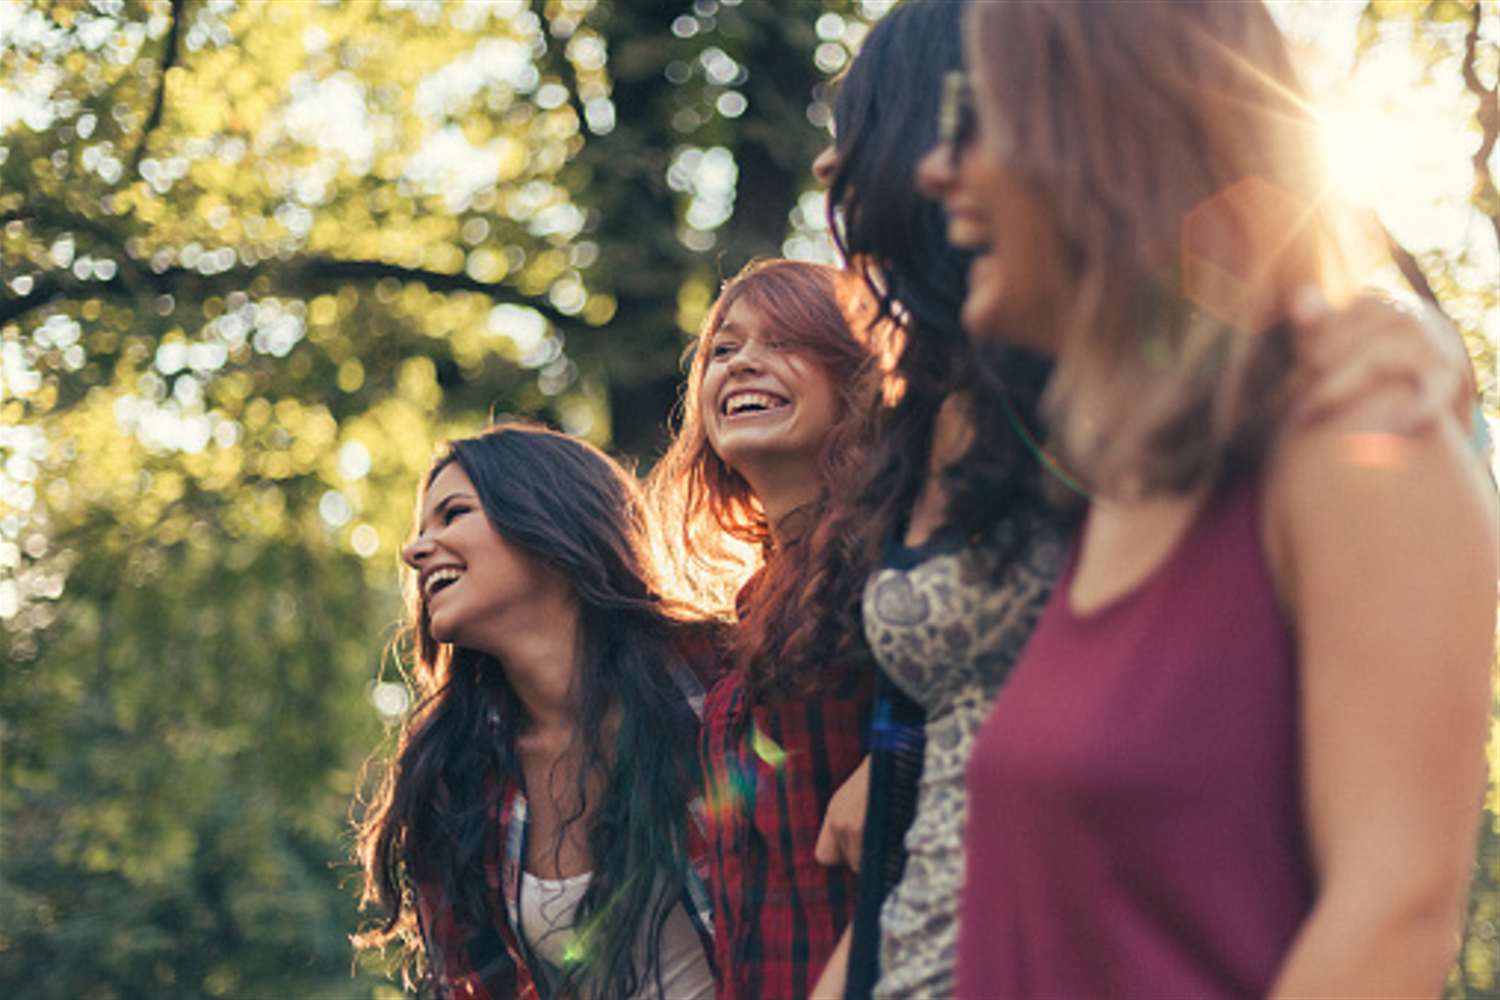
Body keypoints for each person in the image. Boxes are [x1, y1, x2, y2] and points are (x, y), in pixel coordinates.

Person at [806, 2, 1488, 998]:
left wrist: (1395, 333)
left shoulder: (1311, 414)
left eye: (972, 123)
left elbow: (1393, 909)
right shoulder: (1077, 441)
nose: (840, 170)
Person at [354, 424, 717, 1000]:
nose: (414, 550)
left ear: (549, 520)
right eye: (422, 529)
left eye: (453, 514)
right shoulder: (453, 773)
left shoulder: (717, 678)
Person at [647, 258, 882, 999]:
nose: (744, 361)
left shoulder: (896, 556)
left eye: (783, 341)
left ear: (856, 376)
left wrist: (901, 760)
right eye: (724, 349)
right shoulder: (753, 606)